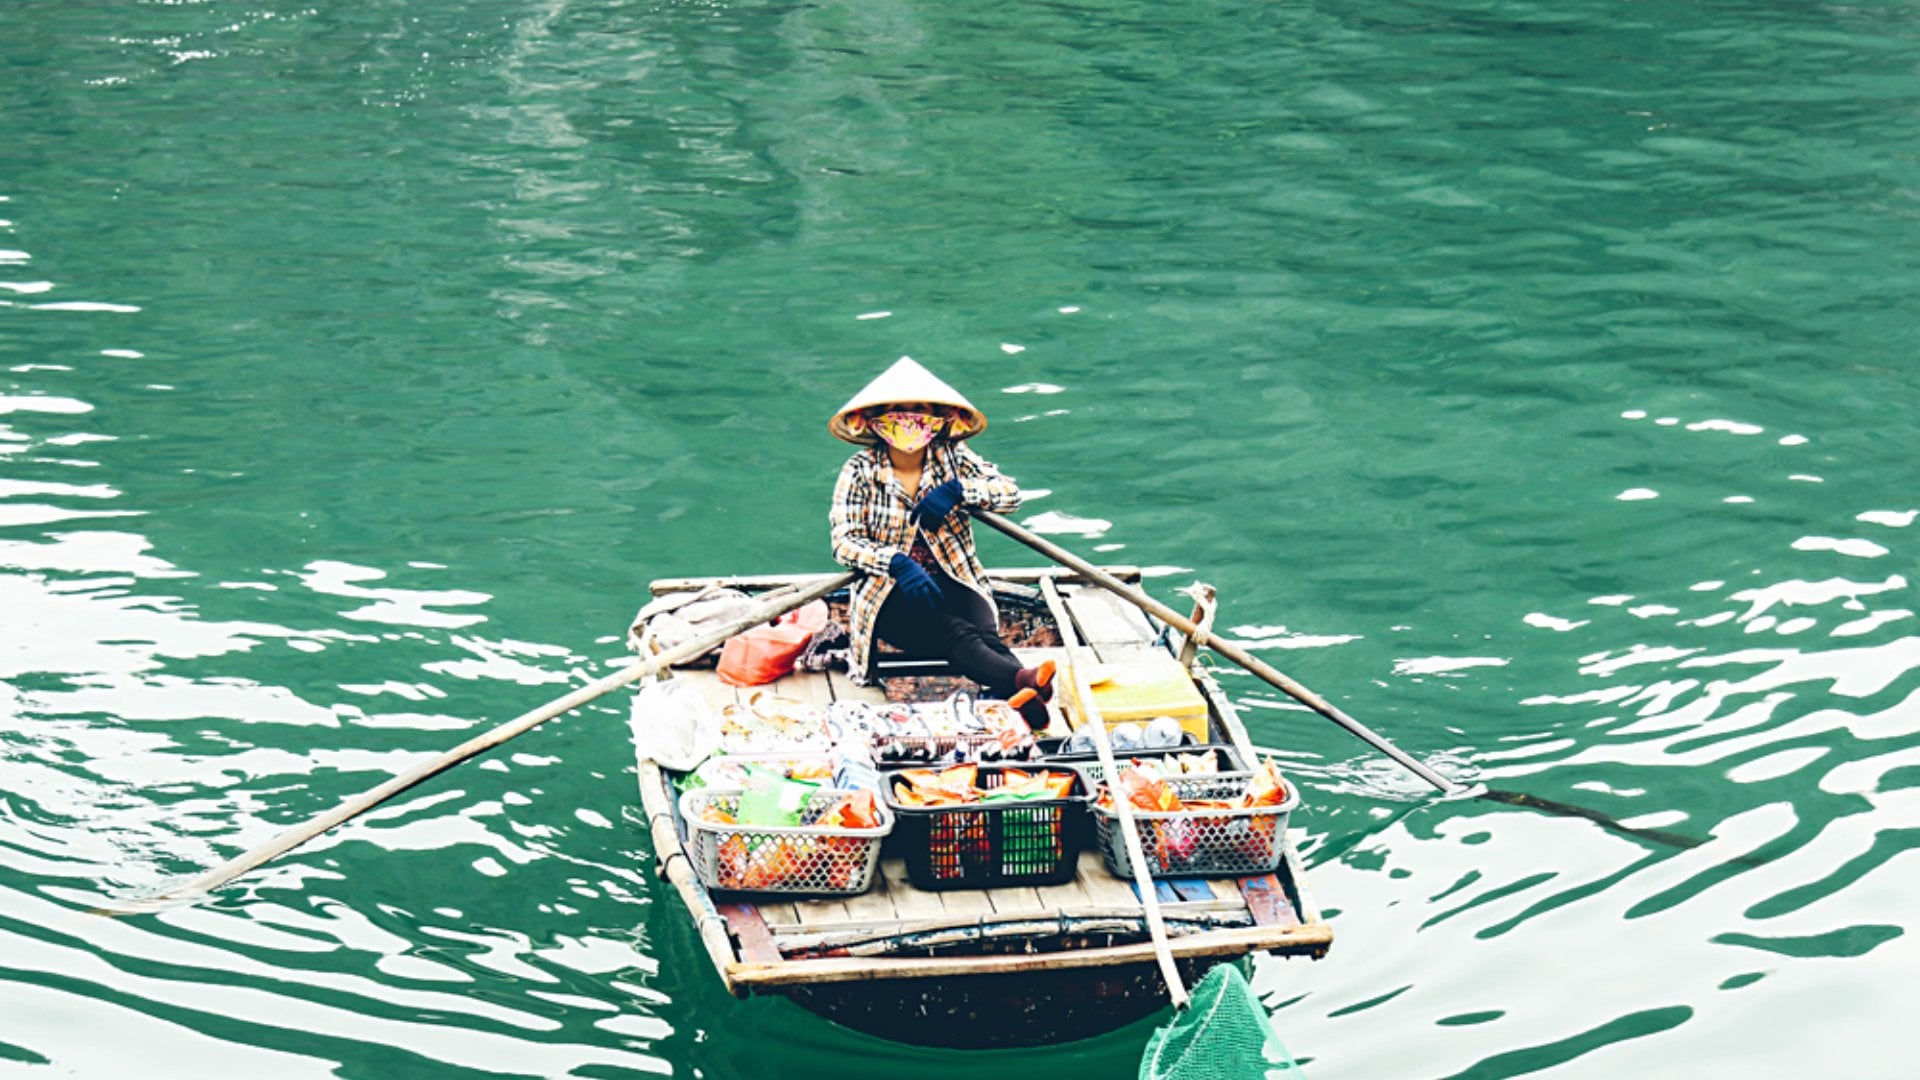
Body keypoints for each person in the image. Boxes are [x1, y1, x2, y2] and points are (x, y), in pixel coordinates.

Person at [828, 357, 1056, 728]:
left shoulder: (953, 457)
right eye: (897, 410)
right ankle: (1021, 681)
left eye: (918, 410)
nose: (907, 419)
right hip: (892, 592)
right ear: (878, 418)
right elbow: (844, 542)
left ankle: (1016, 692)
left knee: (982, 633)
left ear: (937, 417)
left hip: (954, 580)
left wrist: (958, 491)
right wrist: (897, 563)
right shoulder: (859, 469)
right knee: (955, 632)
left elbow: (1009, 494)